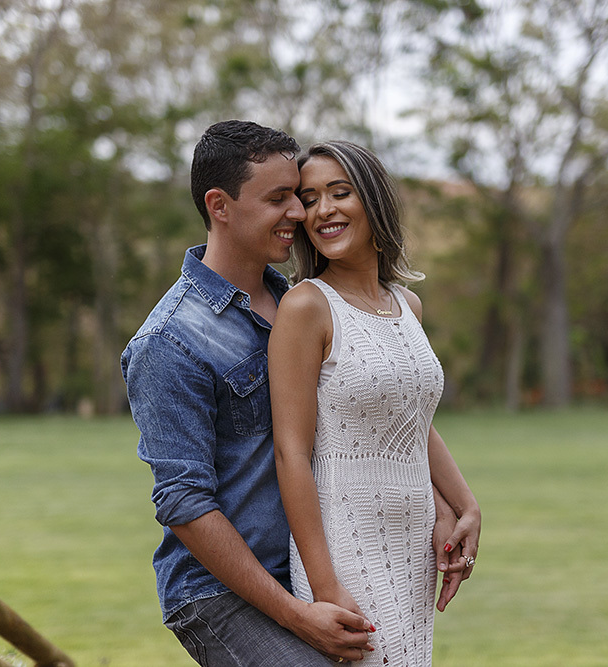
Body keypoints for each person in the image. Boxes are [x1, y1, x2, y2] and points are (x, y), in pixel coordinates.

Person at [121, 121, 472, 666]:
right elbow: (184, 504)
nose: (300, 214)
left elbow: (383, 416)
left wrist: (449, 504)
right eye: (281, 198)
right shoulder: (169, 342)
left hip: (319, 559)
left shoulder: (300, 300)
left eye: (300, 197)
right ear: (220, 205)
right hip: (224, 593)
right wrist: (297, 611)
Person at [268, 140, 481, 666]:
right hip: (346, 540)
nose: (323, 210)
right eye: (310, 198)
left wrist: (464, 506)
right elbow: (290, 453)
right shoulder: (306, 306)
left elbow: (412, 422)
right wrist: (324, 587)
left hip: (412, 539)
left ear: (374, 200)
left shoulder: (408, 305)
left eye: (340, 193)